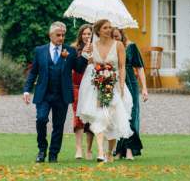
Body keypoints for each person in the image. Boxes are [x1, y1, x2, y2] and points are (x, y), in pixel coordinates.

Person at [23, 21, 89, 163]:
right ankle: (42, 150)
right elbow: (33, 72)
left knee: (58, 126)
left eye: (63, 35)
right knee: (41, 120)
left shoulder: (69, 51)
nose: (61, 38)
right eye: (58, 35)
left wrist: (84, 57)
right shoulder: (40, 51)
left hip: (62, 94)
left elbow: (78, 69)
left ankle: (53, 154)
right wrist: (27, 90)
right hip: (44, 94)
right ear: (50, 35)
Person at [77, 19, 133, 162]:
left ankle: (109, 152)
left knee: (112, 120)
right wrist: (87, 53)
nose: (109, 30)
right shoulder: (92, 46)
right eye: (105, 28)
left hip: (114, 86)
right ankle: (101, 152)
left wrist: (121, 85)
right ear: (98, 31)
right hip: (97, 87)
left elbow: (121, 67)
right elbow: (89, 64)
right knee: (99, 117)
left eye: (110, 27)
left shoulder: (118, 45)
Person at [112, 27, 149, 160]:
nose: (115, 39)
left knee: (132, 116)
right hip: (116, 83)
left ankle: (129, 150)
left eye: (117, 37)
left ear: (122, 35)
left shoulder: (131, 47)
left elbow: (139, 68)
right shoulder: (110, 48)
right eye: (113, 37)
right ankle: (119, 150)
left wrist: (144, 88)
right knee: (119, 116)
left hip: (131, 83)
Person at [71, 24, 95, 160]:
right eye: (84, 34)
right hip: (77, 86)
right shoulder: (74, 49)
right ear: (80, 35)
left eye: (89, 34)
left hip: (92, 87)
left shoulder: (96, 49)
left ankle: (89, 149)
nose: (86, 36)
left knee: (91, 116)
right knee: (78, 116)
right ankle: (78, 148)